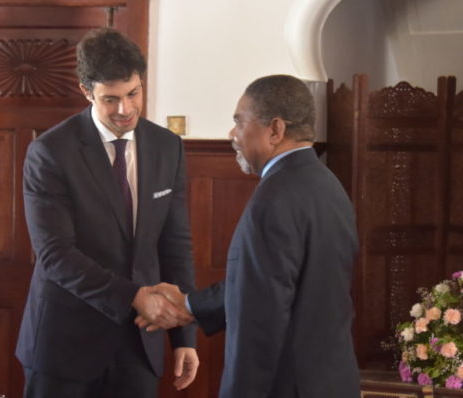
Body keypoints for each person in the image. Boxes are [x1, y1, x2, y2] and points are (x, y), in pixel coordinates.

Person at [137, 75, 360, 398]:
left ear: (275, 130)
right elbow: (265, 286)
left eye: (239, 122)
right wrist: (190, 304)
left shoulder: (273, 200)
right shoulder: (329, 186)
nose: (233, 134)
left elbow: (258, 326)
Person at [15, 27, 198, 398]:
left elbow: (175, 245)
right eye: (110, 99)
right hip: (64, 345)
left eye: (133, 94)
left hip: (140, 344)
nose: (125, 110)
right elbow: (55, 255)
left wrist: (183, 335)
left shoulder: (168, 148)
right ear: (86, 91)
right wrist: (134, 295)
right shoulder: (50, 152)